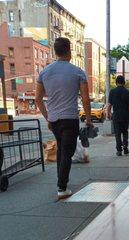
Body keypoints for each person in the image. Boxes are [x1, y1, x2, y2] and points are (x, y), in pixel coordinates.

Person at [35, 37, 92, 200]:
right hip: (70, 118)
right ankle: (62, 187)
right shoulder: (78, 72)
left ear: (55, 51)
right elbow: (86, 99)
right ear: (69, 51)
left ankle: (61, 181)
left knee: (61, 148)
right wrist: (88, 119)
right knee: (67, 151)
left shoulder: (44, 72)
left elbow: (38, 99)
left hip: (54, 119)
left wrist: (47, 118)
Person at [107, 75, 129, 156]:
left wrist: (108, 113)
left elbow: (109, 105)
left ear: (116, 82)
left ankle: (119, 150)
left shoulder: (112, 92)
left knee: (117, 133)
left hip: (116, 115)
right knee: (125, 132)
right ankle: (125, 147)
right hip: (125, 115)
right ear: (124, 82)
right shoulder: (128, 92)